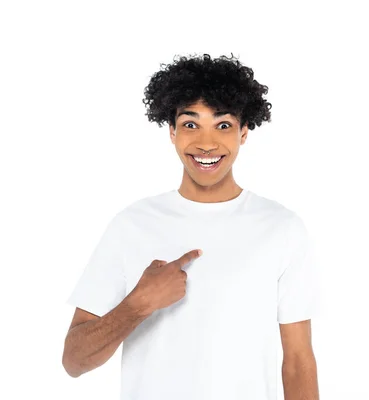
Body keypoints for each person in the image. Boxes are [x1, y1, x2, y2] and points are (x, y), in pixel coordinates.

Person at [62, 53, 321, 400]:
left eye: (223, 125)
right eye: (190, 124)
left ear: (244, 132)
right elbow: (74, 361)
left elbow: (298, 361)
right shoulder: (131, 225)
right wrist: (138, 304)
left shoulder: (282, 228)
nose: (206, 143)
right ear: (171, 131)